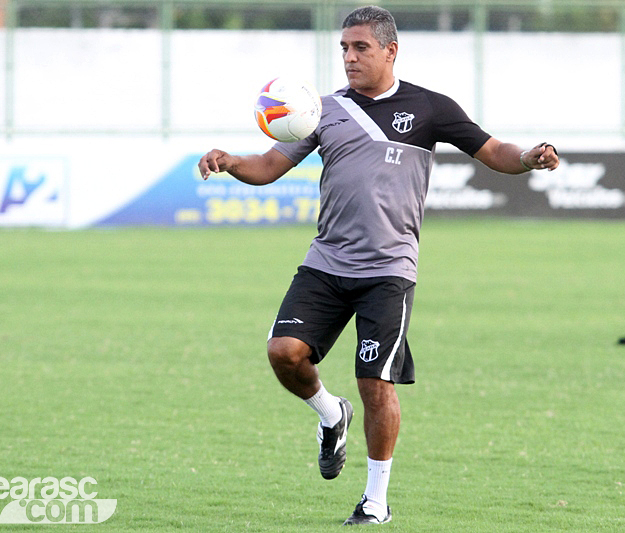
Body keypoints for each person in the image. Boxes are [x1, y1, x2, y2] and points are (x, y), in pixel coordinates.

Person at [199, 5, 559, 526]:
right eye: (344, 48)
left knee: (376, 382)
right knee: (284, 353)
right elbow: (269, 166)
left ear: (391, 50)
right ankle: (329, 413)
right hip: (326, 261)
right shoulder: (321, 110)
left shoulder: (431, 108)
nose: (349, 57)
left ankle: (375, 502)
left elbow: (493, 150)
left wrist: (528, 156)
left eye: (360, 47)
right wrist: (231, 162)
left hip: (389, 269)